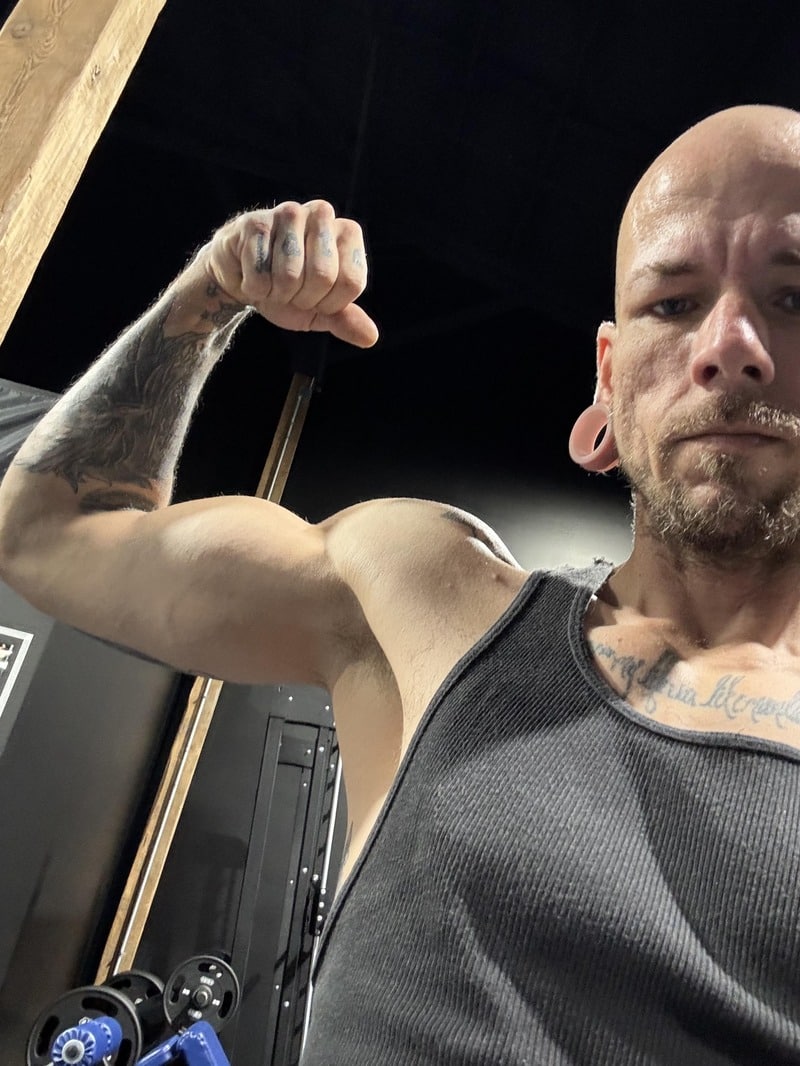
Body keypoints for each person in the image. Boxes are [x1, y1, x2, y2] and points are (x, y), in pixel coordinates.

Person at [2, 101, 800, 1064]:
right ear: (606, 377)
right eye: (671, 304)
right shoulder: (426, 599)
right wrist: (208, 294)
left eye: (795, 298)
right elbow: (48, 535)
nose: (730, 345)